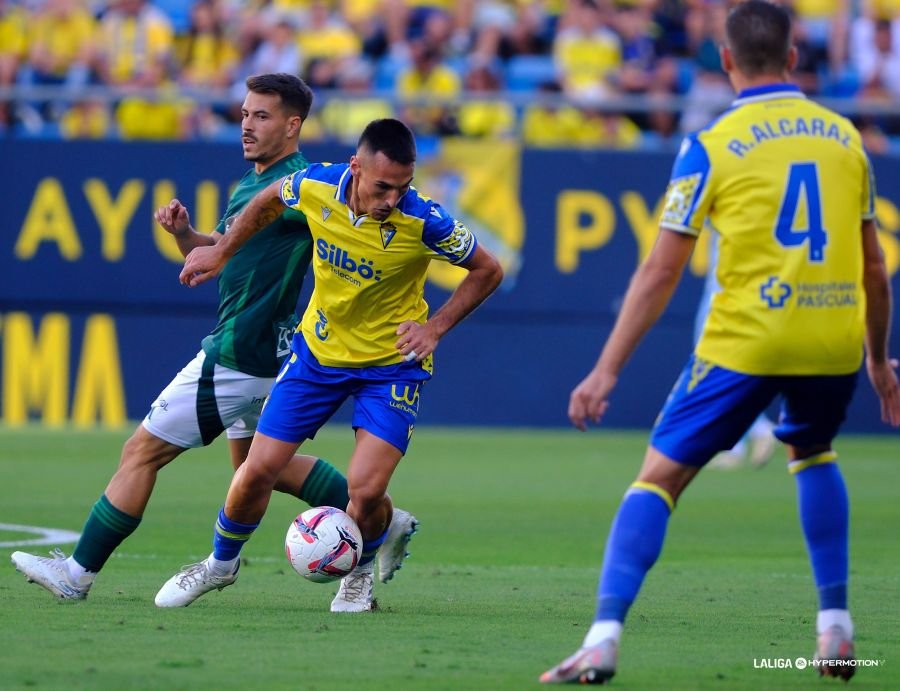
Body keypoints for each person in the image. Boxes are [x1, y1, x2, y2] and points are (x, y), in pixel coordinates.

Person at [541, 1, 900, 684]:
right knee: (814, 450)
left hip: (746, 342)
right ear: (795, 59)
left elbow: (661, 270)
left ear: (727, 62)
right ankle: (835, 627)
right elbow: (875, 265)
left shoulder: (711, 142)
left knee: (658, 478)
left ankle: (603, 638)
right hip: (830, 339)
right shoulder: (846, 138)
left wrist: (605, 370)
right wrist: (877, 359)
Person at [11, 75, 418, 602]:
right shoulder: (255, 183)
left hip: (239, 349)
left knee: (141, 452)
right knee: (255, 472)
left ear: (293, 125)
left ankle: (77, 574)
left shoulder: (303, 185)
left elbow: (350, 201)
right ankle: (384, 517)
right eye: (245, 113)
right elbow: (225, 245)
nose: (247, 124)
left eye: (262, 116)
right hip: (271, 350)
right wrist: (186, 236)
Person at [154, 117, 503, 613]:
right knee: (257, 470)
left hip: (390, 367)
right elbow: (272, 196)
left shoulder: (426, 220)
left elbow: (488, 269)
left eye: (403, 187)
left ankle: (358, 577)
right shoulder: (316, 185)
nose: (392, 199)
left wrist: (435, 328)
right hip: (318, 355)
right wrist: (222, 249)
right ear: (356, 167)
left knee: (366, 489)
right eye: (383, 186)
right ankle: (219, 565)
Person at [695, 229, 776, 470]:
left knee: (712, 364)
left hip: (725, 290)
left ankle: (755, 430)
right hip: (745, 288)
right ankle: (736, 442)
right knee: (727, 368)